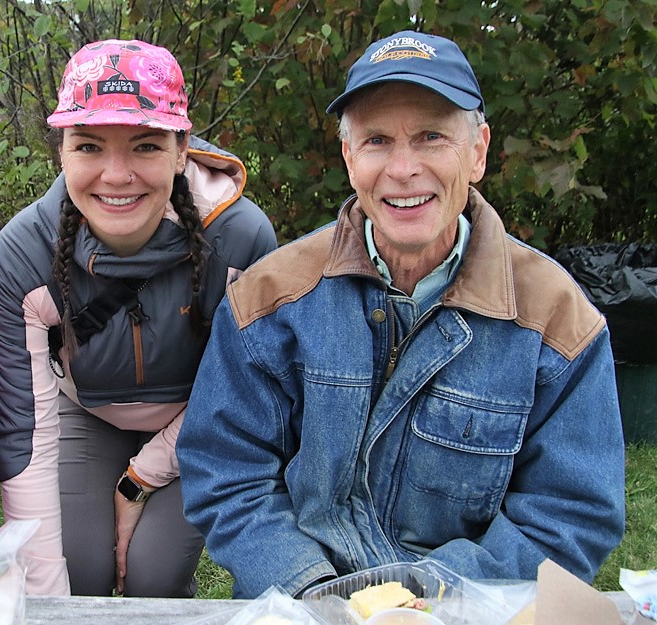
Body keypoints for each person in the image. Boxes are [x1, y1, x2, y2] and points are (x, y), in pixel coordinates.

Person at [177, 30, 626, 599]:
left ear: (479, 152)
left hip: (467, 610)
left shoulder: (556, 319)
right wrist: (316, 594)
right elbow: (226, 472)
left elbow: (571, 515)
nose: (403, 168)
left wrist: (434, 601)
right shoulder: (270, 297)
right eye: (378, 140)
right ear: (349, 158)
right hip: (302, 606)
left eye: (432, 137)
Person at [0, 39, 277, 597]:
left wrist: (142, 478)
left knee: (154, 577)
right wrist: (52, 606)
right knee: (76, 573)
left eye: (144, 146)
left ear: (181, 147)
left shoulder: (241, 239)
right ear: (62, 152)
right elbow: (27, 431)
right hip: (84, 414)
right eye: (89, 146)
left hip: (199, 426)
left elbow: (243, 397)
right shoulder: (22, 255)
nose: (116, 176)